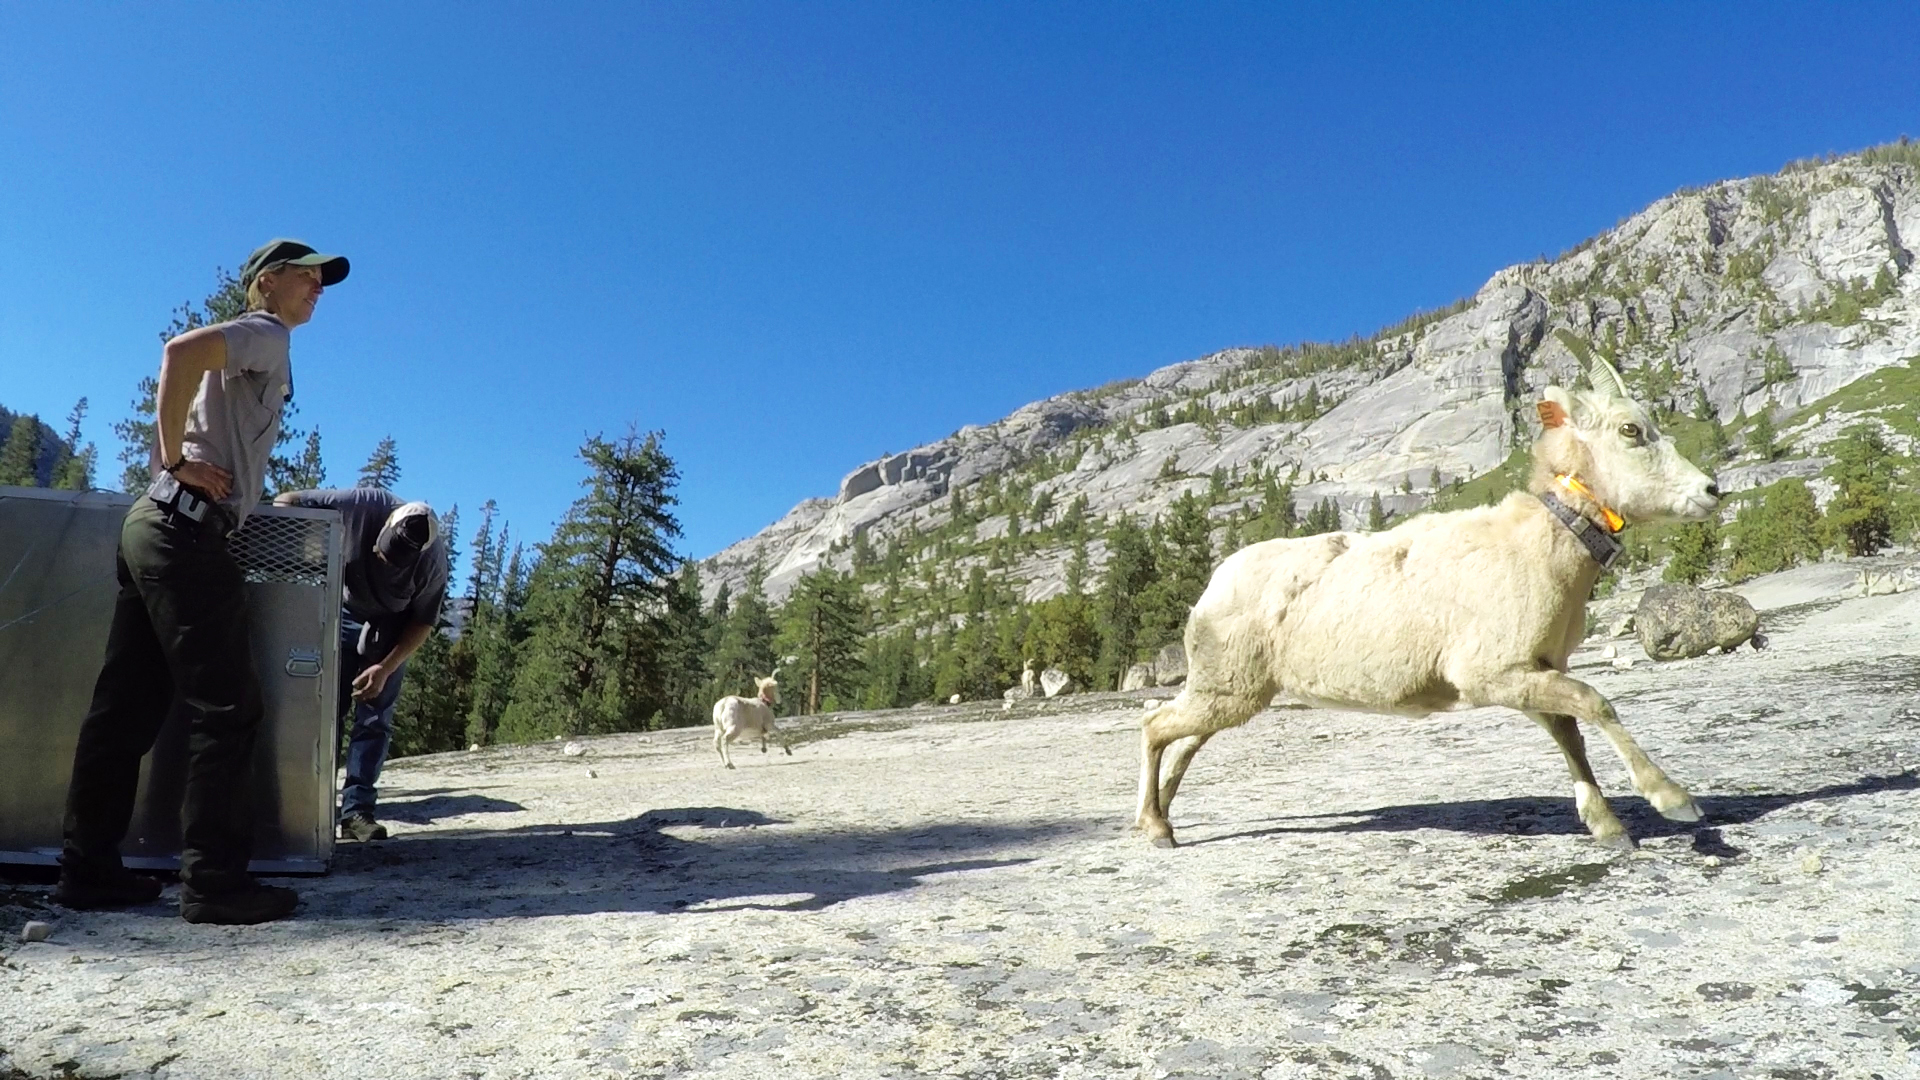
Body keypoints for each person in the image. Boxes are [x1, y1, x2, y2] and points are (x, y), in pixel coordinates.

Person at [57, 239, 349, 925]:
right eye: (308, 277)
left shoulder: (257, 345)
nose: (318, 289)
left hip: (152, 526)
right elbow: (178, 354)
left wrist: (175, 473)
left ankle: (86, 870)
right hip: (183, 531)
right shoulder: (266, 333)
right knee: (228, 711)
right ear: (267, 284)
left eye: (321, 281)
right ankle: (215, 884)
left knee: (123, 712)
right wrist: (174, 460)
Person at [272, 488, 448, 841]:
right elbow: (287, 500)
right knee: (325, 711)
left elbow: (423, 623)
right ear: (385, 526)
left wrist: (385, 668)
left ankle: (357, 813)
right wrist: (300, 550)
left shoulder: (432, 565)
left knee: (375, 718)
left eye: (394, 561)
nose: (384, 562)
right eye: (383, 553)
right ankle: (311, 808)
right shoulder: (361, 503)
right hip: (343, 612)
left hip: (392, 626)